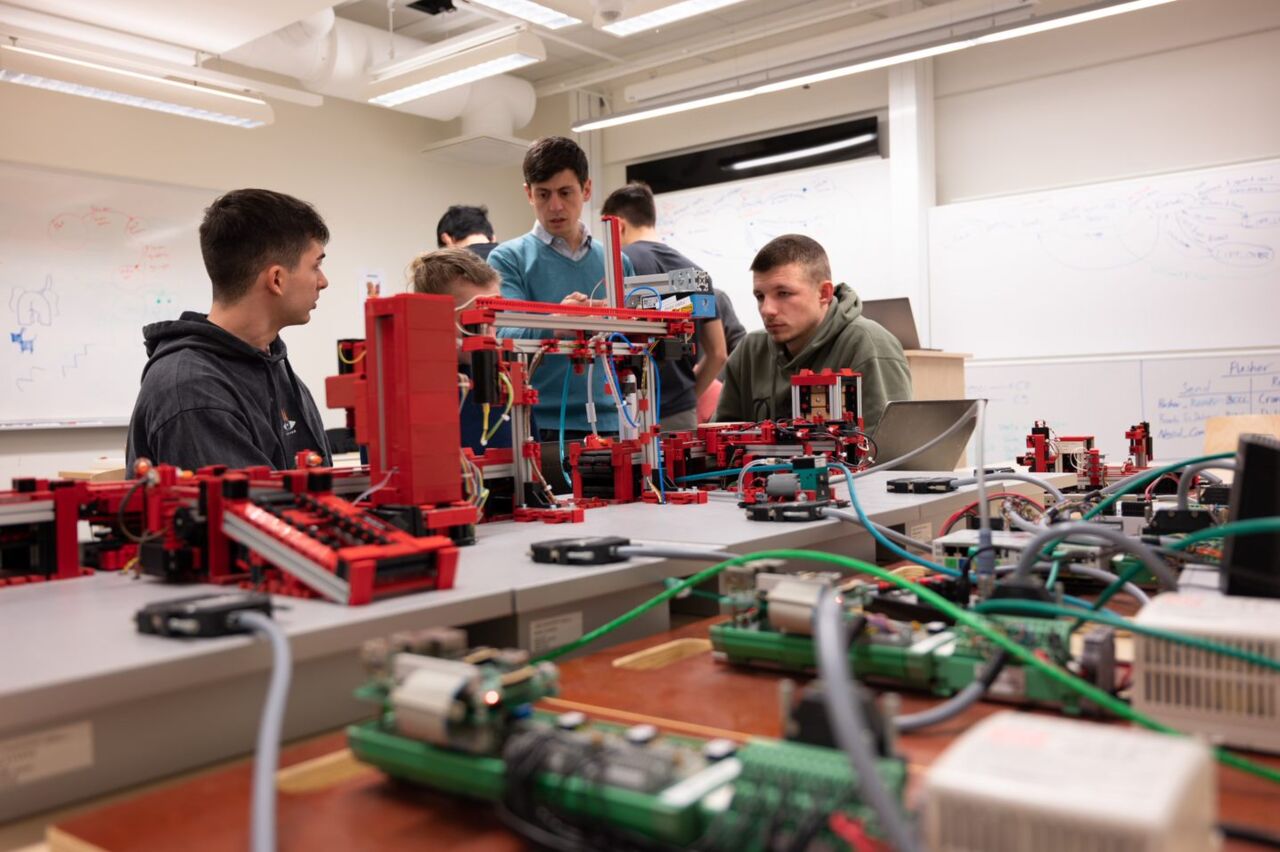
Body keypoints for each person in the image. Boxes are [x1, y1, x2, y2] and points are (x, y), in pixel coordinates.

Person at [126, 188, 332, 471]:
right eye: (316, 266)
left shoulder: (276, 367)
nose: (323, 281)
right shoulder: (192, 392)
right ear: (277, 280)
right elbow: (250, 512)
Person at [487, 136, 635, 446]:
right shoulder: (508, 259)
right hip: (544, 426)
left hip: (614, 421)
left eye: (566, 193)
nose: (555, 206)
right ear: (528, 193)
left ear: (587, 189)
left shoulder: (616, 262)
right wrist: (558, 322)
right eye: (543, 194)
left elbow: (635, 342)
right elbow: (503, 337)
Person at [715, 234, 911, 433]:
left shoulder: (868, 344)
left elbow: (887, 452)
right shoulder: (750, 350)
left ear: (824, 294)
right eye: (760, 296)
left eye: (783, 293)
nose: (767, 309)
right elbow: (718, 442)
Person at [600, 181, 727, 433]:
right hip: (681, 415)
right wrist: (686, 397)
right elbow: (718, 353)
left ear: (618, 226)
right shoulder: (698, 275)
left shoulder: (621, 268)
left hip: (627, 414)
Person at [408, 247, 529, 453]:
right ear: (432, 317)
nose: (490, 335)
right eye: (475, 323)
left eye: (493, 319)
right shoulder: (406, 390)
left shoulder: (503, 383)